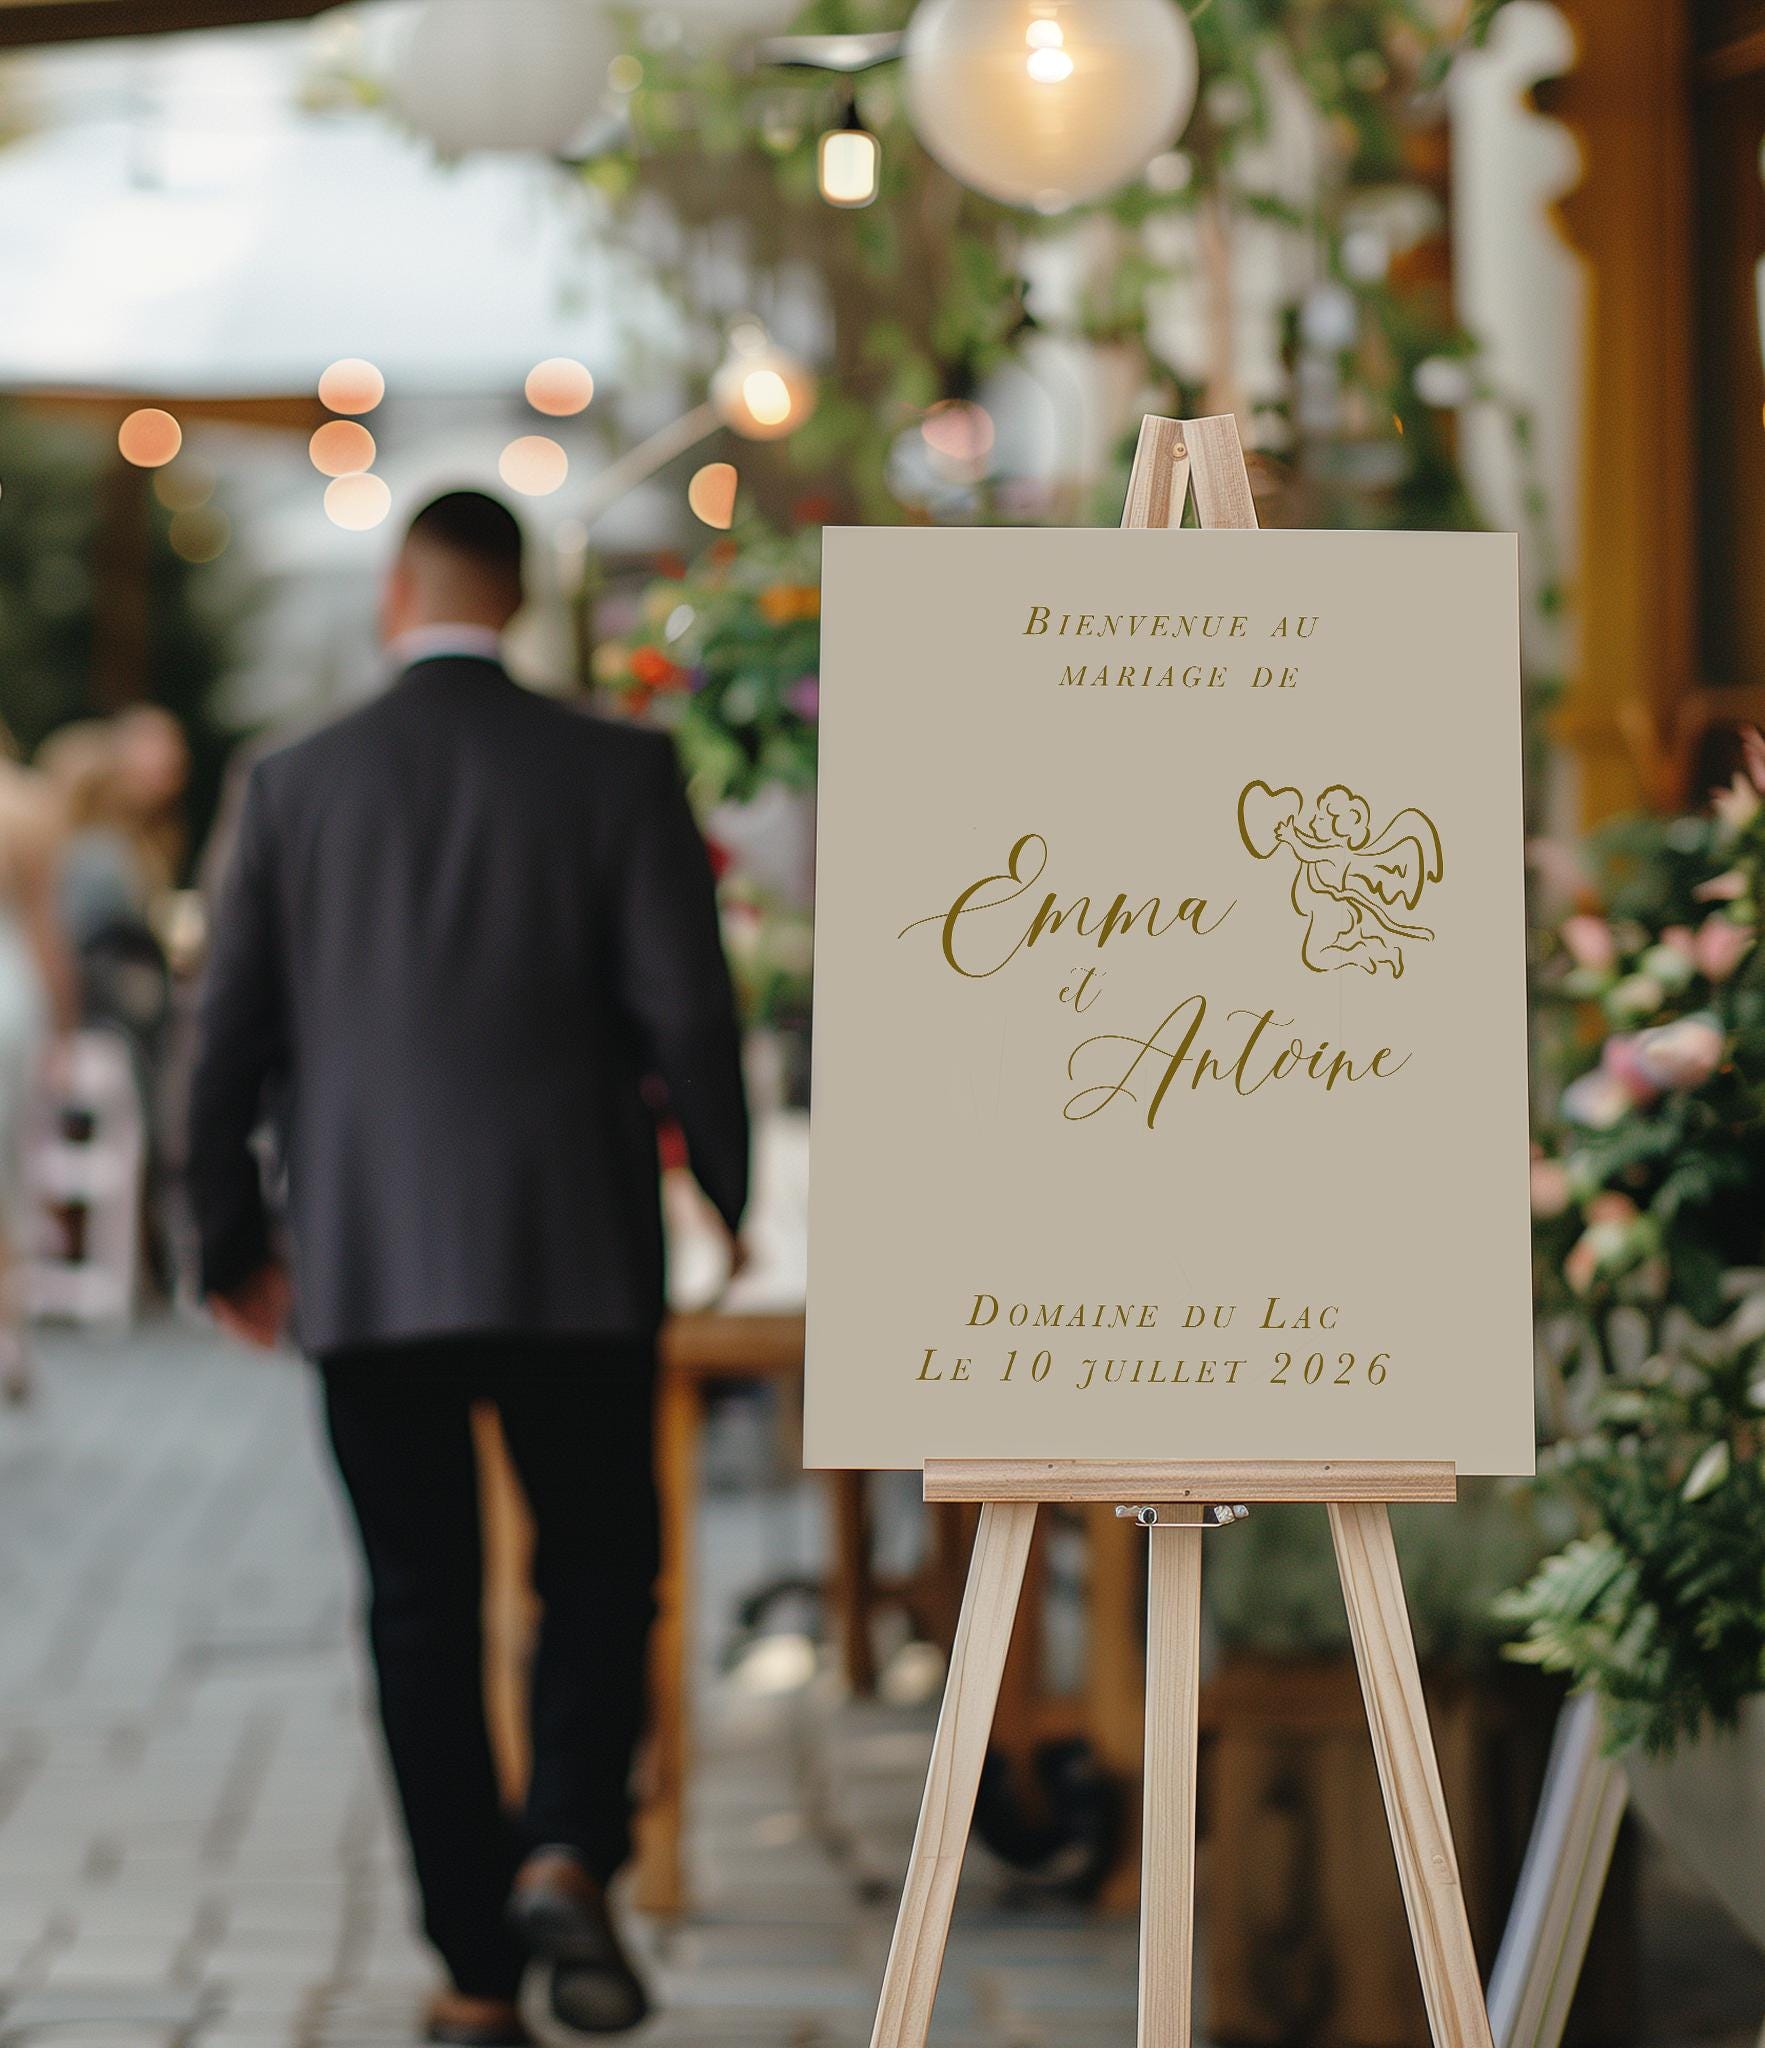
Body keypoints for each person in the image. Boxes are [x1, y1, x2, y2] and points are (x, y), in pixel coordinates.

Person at [187, 492, 749, 2043]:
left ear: (399, 590)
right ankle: (567, 1843)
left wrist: (230, 1243)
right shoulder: (618, 770)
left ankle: (474, 1966)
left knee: (418, 1607)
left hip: (368, 1265)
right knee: (598, 1571)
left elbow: (221, 1045)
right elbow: (687, 1014)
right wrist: (728, 1183)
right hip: (577, 1253)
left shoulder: (294, 783)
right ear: (517, 599)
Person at [0, 727, 75, 1402]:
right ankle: (9, 1331)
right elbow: (46, 923)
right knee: (10, 1166)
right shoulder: (25, 804)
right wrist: (66, 1022)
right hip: (9, 992)